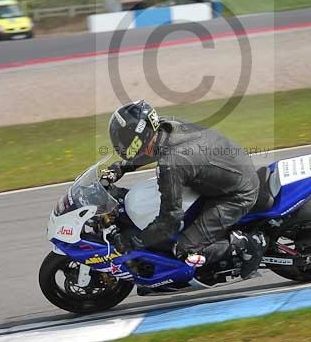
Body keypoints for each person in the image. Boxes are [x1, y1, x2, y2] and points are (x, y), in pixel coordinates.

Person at [105, 100, 265, 279]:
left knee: (183, 249)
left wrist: (137, 241)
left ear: (137, 137)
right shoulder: (167, 126)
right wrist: (121, 167)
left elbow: (170, 220)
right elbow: (153, 149)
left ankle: (244, 244)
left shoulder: (171, 165)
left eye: (123, 138)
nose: (120, 143)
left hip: (237, 194)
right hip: (229, 170)